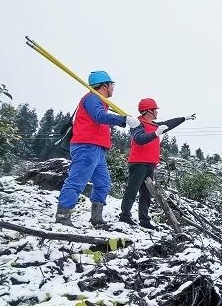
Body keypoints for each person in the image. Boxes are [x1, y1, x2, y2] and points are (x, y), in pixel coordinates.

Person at [55, 70, 142, 227]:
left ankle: (96, 217)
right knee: (76, 181)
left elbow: (102, 116)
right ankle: (62, 216)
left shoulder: (100, 101)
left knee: (103, 183)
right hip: (86, 146)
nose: (113, 88)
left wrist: (124, 119)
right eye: (112, 85)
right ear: (104, 85)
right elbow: (99, 116)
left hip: (98, 149)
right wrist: (123, 120)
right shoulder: (92, 98)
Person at [119, 98, 195, 228]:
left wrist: (184, 118)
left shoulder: (154, 125)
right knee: (132, 190)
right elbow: (139, 139)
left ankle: (144, 220)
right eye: (155, 110)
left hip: (150, 164)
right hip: (138, 163)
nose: (157, 112)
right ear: (149, 111)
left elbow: (168, 123)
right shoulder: (137, 124)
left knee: (146, 193)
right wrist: (156, 133)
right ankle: (124, 216)